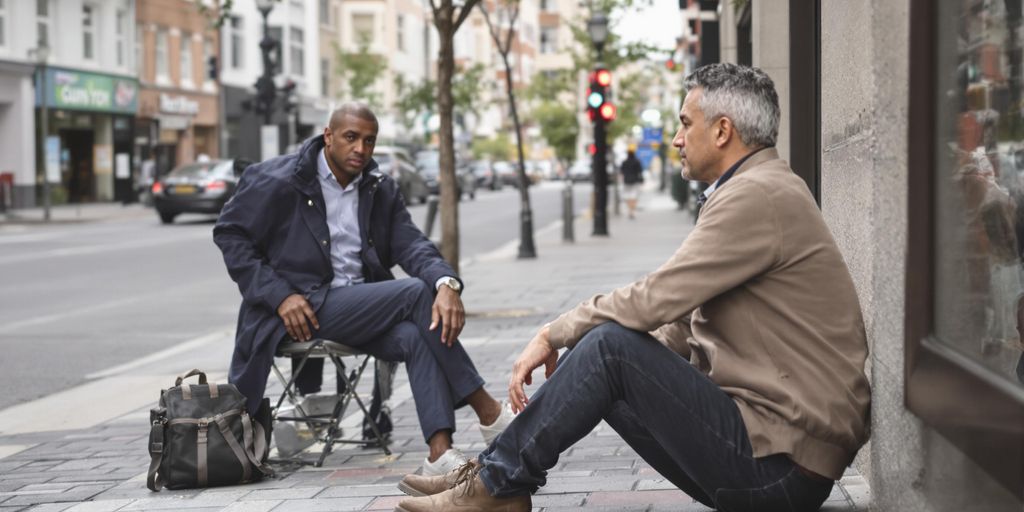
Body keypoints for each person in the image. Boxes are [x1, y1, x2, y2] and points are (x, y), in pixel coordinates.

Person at [394, 63, 871, 512]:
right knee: (606, 354)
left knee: (609, 346)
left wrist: (553, 333)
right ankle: (497, 479)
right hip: (770, 452)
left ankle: (493, 485)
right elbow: (679, 326)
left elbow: (652, 300)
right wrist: (589, 363)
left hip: (781, 468)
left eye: (686, 123)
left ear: (723, 131)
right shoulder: (753, 188)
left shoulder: (757, 195)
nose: (677, 138)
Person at [213, 102, 513, 476]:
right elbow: (230, 234)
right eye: (351, 138)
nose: (360, 149)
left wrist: (447, 283)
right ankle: (488, 410)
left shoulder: (378, 188)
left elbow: (412, 244)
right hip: (302, 309)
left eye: (369, 141)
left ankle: (439, 453)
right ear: (328, 136)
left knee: (414, 335)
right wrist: (279, 295)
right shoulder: (279, 179)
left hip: (355, 308)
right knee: (416, 294)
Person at [621, 148, 643, 219]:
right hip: (635, 181)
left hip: (626, 181)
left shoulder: (624, 162)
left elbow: (622, 172)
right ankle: (632, 211)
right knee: (634, 196)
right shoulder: (637, 162)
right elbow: (640, 172)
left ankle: (630, 211)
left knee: (627, 197)